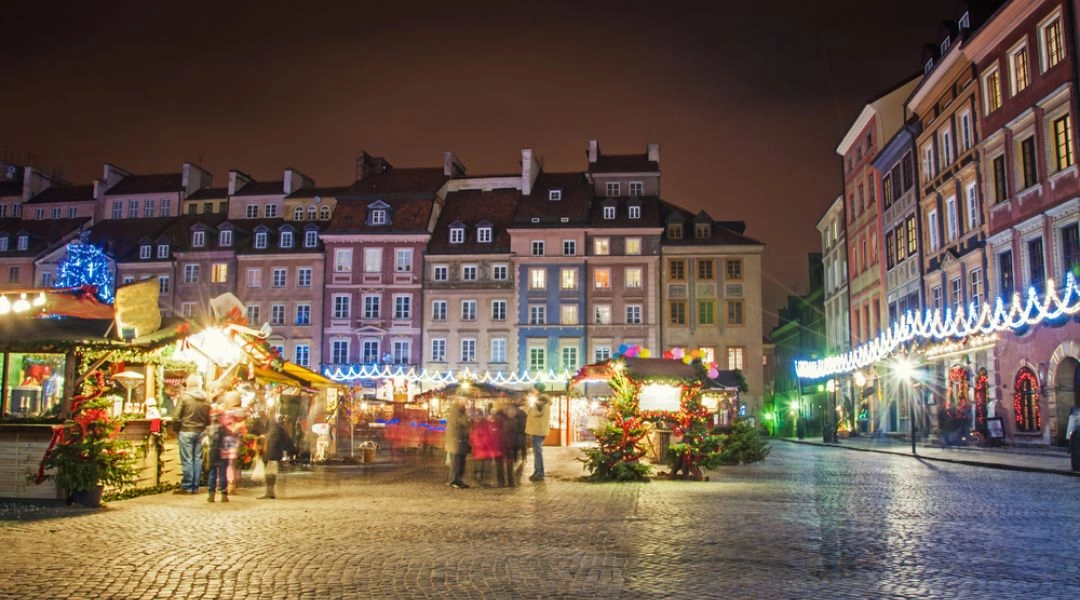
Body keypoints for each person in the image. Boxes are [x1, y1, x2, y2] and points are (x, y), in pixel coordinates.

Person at [173, 373, 210, 494]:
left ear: (188, 385)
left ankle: (187, 486)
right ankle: (195, 486)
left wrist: (176, 429)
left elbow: (176, 417)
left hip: (186, 430)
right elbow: (209, 417)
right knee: (197, 459)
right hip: (200, 431)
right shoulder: (206, 398)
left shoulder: (184, 397)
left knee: (187, 459)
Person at [258, 415, 296, 499]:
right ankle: (270, 492)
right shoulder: (275, 427)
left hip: (271, 455)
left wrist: (267, 454)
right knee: (270, 473)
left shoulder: (273, 427)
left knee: (270, 474)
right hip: (274, 454)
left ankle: (270, 493)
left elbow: (273, 441)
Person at [444, 399, 471, 489]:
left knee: (461, 462)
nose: (466, 402)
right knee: (456, 462)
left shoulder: (460, 411)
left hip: (461, 441)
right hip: (456, 442)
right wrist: (467, 415)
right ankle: (453, 480)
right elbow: (463, 422)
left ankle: (459, 480)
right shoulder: (456, 412)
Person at [525, 394, 551, 482]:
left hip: (537, 431)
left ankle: (539, 472)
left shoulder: (538, 407)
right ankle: (537, 471)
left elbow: (533, 413)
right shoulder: (545, 406)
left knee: (537, 453)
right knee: (537, 452)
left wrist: (532, 406)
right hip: (540, 431)